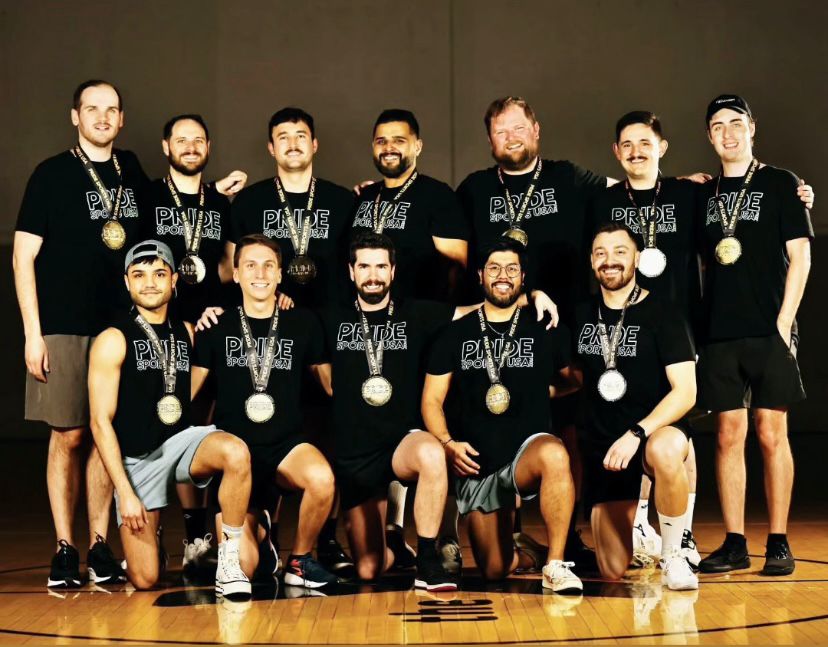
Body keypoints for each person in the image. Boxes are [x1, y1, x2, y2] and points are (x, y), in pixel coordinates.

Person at [457, 95, 612, 568]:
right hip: (495, 329)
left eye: (518, 128)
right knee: (504, 423)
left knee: (567, 433)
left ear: (536, 130)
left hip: (560, 325)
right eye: (501, 132)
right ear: (489, 141)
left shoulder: (569, 177)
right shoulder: (474, 188)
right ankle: (515, 533)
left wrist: (687, 188)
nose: (511, 138)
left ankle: (570, 535)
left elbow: (633, 186)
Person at [14, 79, 144, 587]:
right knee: (67, 434)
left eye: (112, 109)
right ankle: (64, 548)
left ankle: (99, 546)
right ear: (75, 117)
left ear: (121, 117)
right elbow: (23, 257)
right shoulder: (51, 174)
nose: (102, 117)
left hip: (118, 327)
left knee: (101, 432)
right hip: (63, 326)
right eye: (92, 109)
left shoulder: (130, 170)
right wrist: (32, 333)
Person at [88, 240, 253, 597]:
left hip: (180, 444)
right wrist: (125, 493)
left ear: (175, 279)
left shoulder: (188, 332)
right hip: (139, 461)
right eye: (140, 274)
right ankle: (154, 535)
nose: (150, 282)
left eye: (159, 274)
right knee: (146, 579)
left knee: (236, 452)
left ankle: (228, 558)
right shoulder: (113, 339)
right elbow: (100, 423)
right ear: (127, 282)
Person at [422, 239, 583, 594]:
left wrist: (543, 391)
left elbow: (575, 380)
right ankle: (529, 554)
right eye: (494, 268)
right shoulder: (454, 333)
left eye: (512, 269)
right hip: (480, 463)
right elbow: (432, 400)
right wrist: (447, 444)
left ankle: (555, 565)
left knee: (555, 453)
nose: (503, 276)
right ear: (480, 275)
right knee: (494, 569)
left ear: (524, 277)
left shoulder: (545, 327)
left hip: (526, 452)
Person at [696, 95, 813, 576]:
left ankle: (779, 541)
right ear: (709, 136)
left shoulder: (782, 184)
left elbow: (801, 257)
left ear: (752, 128)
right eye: (718, 125)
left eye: (736, 123)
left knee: (771, 433)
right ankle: (735, 541)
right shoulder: (701, 193)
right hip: (720, 333)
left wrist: (784, 323)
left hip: (771, 329)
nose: (728, 132)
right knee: (728, 435)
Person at [191, 234, 338, 589]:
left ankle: (300, 560)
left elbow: (332, 387)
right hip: (235, 460)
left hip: (285, 447)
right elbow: (187, 394)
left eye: (269, 265)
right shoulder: (215, 326)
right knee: (246, 567)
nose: (260, 273)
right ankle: (259, 529)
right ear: (236, 273)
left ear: (280, 273)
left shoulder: (303, 323)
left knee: (322, 480)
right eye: (251, 265)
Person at [571, 223, 698, 590]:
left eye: (620, 252)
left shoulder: (664, 312)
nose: (610, 261)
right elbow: (570, 377)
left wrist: (638, 432)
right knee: (612, 567)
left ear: (638, 258)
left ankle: (675, 555)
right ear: (591, 261)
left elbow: (685, 392)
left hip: (651, 432)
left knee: (663, 449)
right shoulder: (580, 313)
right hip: (604, 444)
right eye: (600, 253)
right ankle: (642, 536)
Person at [230, 107, 353, 308]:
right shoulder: (248, 201)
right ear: (271, 147)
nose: (293, 145)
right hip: (269, 322)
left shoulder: (343, 200)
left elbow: (360, 263)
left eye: (301, 136)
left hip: (332, 320)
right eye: (283, 138)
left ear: (314, 145)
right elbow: (230, 269)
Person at [351, 109, 469, 301]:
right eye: (381, 141)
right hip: (364, 318)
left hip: (416, 321)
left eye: (399, 140)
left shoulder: (438, 195)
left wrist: (434, 321)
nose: (389, 148)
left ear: (418, 146)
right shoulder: (364, 196)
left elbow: (456, 271)